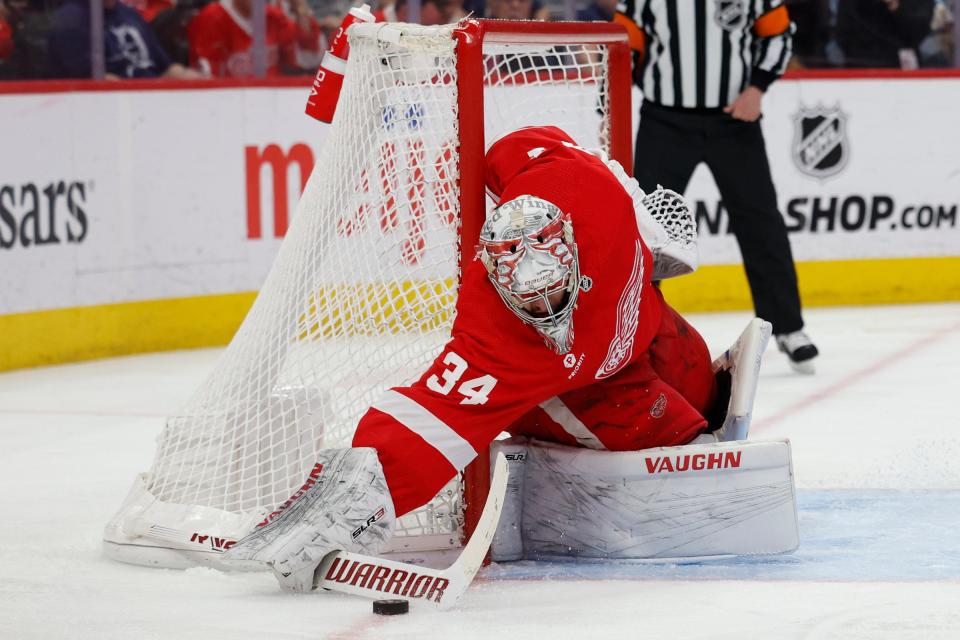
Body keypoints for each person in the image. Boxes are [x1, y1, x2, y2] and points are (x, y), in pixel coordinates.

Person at [225, 125, 734, 589]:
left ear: (572, 253)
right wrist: (357, 500)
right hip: (583, 383)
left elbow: (527, 146)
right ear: (492, 270)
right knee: (683, 444)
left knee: (694, 375)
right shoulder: (503, 336)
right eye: (525, 299)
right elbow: (433, 416)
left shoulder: (581, 183)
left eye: (550, 292)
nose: (540, 309)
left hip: (638, 332)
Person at [616, 0, 819, 373]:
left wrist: (757, 88)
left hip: (734, 122)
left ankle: (789, 327)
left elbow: (778, 34)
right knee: (645, 229)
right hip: (665, 120)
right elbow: (623, 48)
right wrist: (606, 110)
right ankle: (633, 334)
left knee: (760, 221)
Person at [47, 0, 199, 78]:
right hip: (110, 112)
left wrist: (206, 84)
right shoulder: (70, 21)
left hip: (152, 100)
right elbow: (97, 84)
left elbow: (167, 69)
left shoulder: (129, 14)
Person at [187, 0, 299, 77]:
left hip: (273, 100)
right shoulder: (210, 19)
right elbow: (207, 79)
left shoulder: (275, 16)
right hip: (228, 102)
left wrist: (300, 10)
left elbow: (303, 62)